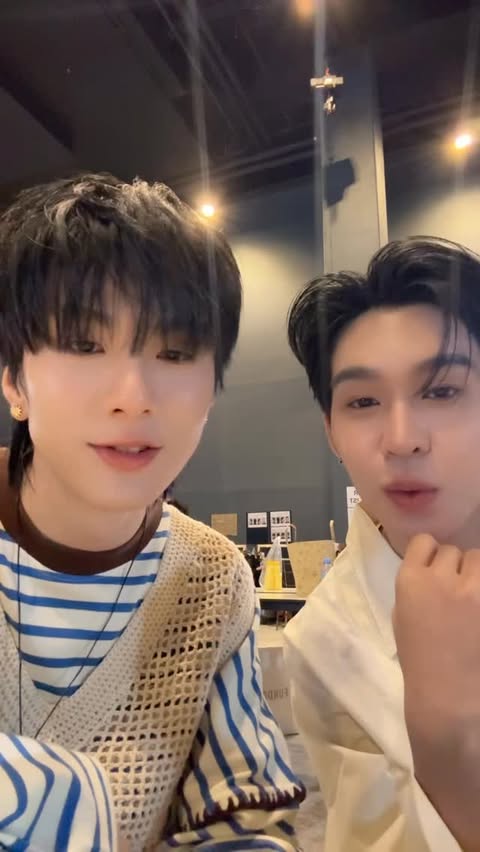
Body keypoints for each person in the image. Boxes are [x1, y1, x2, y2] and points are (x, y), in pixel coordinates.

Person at [0, 173, 304, 851]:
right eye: (84, 345)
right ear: (13, 379)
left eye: (174, 353)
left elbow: (244, 821)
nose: (134, 396)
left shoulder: (211, 579)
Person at [285, 236, 480, 852]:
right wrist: (445, 733)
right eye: (363, 401)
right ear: (332, 433)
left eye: (441, 390)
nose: (401, 439)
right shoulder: (326, 642)